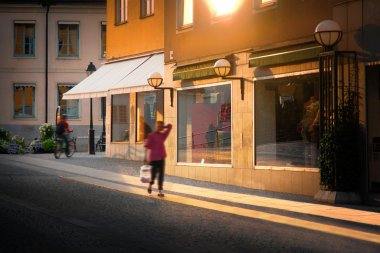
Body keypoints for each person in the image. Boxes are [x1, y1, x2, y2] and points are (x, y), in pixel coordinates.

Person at [144, 121, 172, 197]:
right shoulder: (151, 135)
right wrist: (145, 156)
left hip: (161, 158)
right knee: (153, 175)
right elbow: (146, 146)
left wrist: (164, 127)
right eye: (158, 126)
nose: (159, 127)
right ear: (156, 126)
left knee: (161, 175)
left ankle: (160, 190)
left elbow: (170, 126)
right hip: (153, 159)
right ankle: (150, 185)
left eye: (161, 126)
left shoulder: (163, 135)